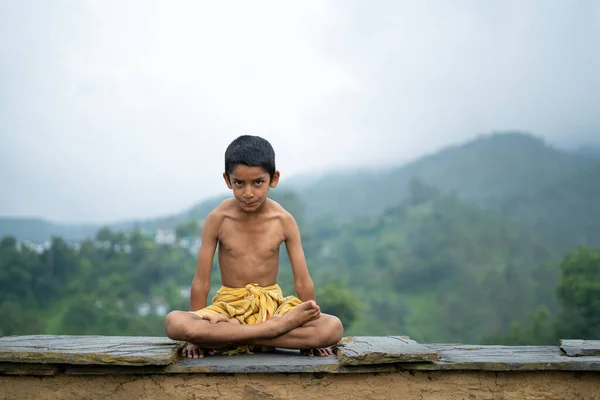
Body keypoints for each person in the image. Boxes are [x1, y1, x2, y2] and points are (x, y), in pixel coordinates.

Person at [164, 135, 344, 358]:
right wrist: (194, 339)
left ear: (273, 178)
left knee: (332, 327)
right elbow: (201, 281)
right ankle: (272, 333)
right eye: (239, 183)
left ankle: (233, 337)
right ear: (228, 180)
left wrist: (309, 316)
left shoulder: (283, 220)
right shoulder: (218, 219)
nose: (248, 193)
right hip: (229, 308)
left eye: (257, 182)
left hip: (273, 308)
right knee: (175, 322)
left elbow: (302, 280)